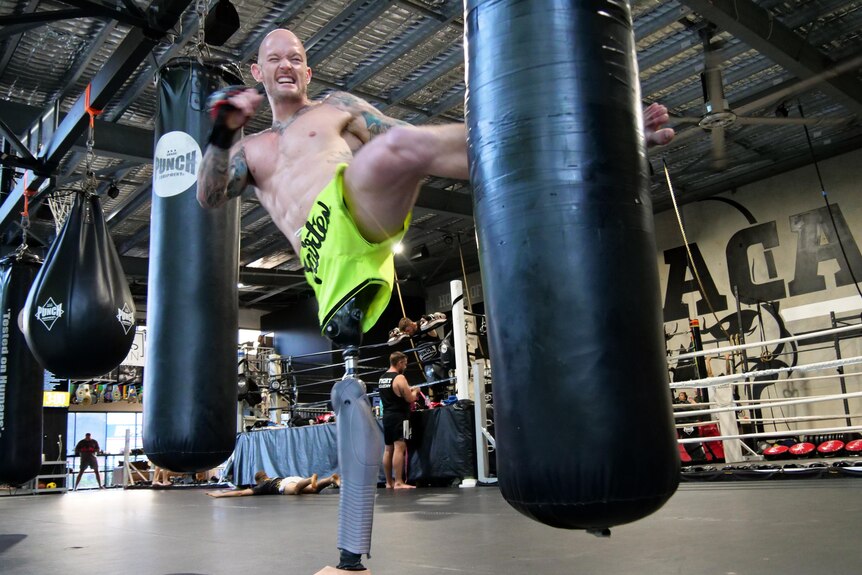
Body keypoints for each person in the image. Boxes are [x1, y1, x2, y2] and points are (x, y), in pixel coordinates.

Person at [197, 27, 675, 574]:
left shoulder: (336, 109)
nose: (286, 64)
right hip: (322, 258)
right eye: (274, 58)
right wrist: (220, 131)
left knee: (402, 146)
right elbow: (209, 195)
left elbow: (408, 135)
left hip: (356, 210)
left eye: (297, 58)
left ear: (308, 72)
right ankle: (350, 560)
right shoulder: (251, 151)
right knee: (398, 154)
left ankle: (596, 141)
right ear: (256, 73)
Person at [378, 352, 419, 489]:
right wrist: (416, 391)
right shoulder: (399, 377)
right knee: (400, 447)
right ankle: (399, 482)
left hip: (387, 416)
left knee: (388, 449)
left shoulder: (382, 378)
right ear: (400, 362)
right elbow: (410, 398)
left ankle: (389, 482)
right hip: (400, 416)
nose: (405, 366)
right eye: (405, 363)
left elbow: (393, 393)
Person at [206, 470, 340, 497]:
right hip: (291, 478)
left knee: (295, 491)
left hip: (284, 485)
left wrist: (220, 494)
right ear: (266, 476)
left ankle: (311, 479)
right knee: (313, 490)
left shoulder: (262, 485)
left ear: (258, 480)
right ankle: (330, 479)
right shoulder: (273, 478)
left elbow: (241, 492)